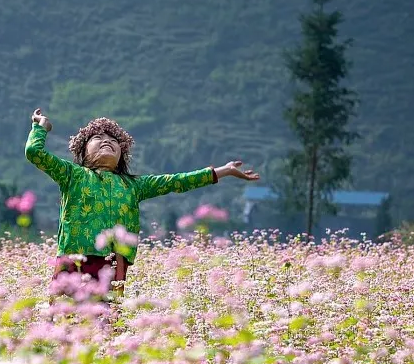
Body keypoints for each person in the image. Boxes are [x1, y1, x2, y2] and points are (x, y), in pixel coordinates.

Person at [25, 107, 258, 299]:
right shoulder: (72, 175)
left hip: (114, 264)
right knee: (64, 328)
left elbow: (176, 182)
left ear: (121, 156)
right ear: (83, 153)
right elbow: (34, 153)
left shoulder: (133, 185)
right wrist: (41, 127)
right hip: (74, 260)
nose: (107, 141)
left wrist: (222, 171)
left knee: (105, 331)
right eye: (98, 138)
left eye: (113, 140)